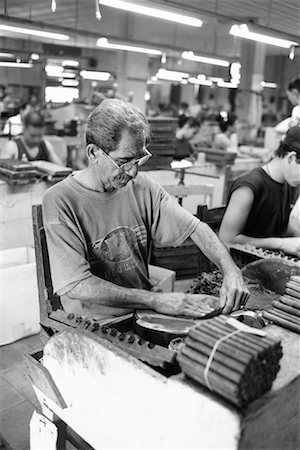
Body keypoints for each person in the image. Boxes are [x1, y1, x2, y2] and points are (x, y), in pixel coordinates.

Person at [42, 99, 248, 321]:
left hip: (142, 311)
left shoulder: (143, 188)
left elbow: (197, 228)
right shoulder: (60, 200)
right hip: (91, 321)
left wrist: (231, 271)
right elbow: (78, 285)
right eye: (125, 161)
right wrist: (155, 300)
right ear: (93, 153)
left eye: (139, 159)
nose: (132, 172)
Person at [219, 126, 300, 257]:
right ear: (291, 158)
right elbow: (226, 240)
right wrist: (281, 244)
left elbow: (279, 224)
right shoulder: (248, 188)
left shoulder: (286, 185)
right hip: (242, 267)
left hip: (269, 265)